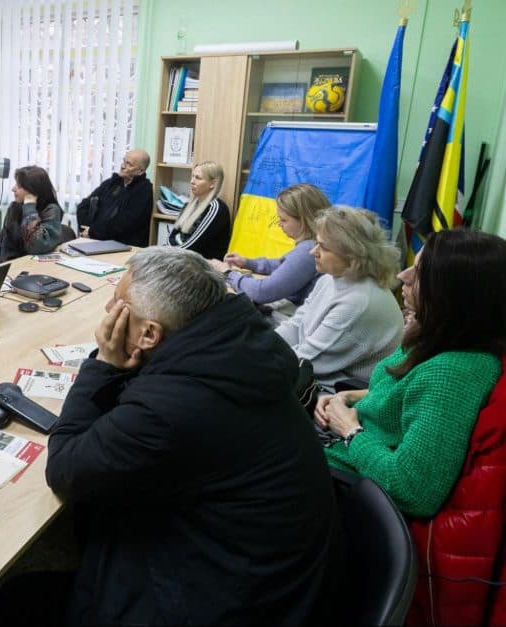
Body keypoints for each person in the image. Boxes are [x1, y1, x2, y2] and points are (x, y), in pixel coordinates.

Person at [42, 246, 343, 624]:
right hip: (272, 578)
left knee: (19, 600)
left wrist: (103, 364)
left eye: (119, 304)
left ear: (150, 334)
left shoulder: (170, 410)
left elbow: (66, 467)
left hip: (227, 602)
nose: (108, 311)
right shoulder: (238, 351)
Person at [315, 229, 506, 517]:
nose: (402, 277)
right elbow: (406, 394)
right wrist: (348, 397)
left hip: (343, 485)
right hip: (336, 450)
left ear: (455, 293)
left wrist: (351, 431)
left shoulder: (452, 375)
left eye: (419, 273)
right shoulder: (435, 336)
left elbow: (411, 490)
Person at [275, 206, 403, 390]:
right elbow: (297, 325)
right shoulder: (331, 278)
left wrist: (256, 356)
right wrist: (263, 345)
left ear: (353, 254)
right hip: (316, 379)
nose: (313, 252)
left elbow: (307, 360)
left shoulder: (359, 302)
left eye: (324, 247)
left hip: (340, 396)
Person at [208, 182, 328, 319]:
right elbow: (283, 265)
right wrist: (247, 262)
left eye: (283, 220)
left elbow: (261, 292)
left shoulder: (308, 250)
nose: (279, 224)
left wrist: (228, 273)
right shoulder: (311, 245)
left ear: (304, 220)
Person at [76, 149, 153, 247]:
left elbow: (124, 224)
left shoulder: (144, 190)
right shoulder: (112, 182)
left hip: (124, 246)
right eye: (124, 161)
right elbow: (84, 206)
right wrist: (87, 231)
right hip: (94, 240)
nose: (123, 166)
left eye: (129, 164)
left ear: (140, 171)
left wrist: (94, 232)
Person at [0, 165, 65, 263]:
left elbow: (37, 246)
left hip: (33, 267)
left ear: (32, 189)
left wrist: (29, 208)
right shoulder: (15, 207)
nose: (13, 189)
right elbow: (2, 244)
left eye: (19, 186)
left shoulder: (51, 210)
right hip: (10, 267)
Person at [165, 160, 230, 260]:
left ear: (212, 184)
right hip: (181, 259)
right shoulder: (188, 205)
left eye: (198, 178)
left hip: (202, 267)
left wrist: (165, 254)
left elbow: (192, 246)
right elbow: (172, 235)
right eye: (192, 176)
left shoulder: (216, 209)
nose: (192, 181)